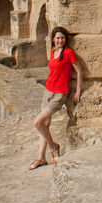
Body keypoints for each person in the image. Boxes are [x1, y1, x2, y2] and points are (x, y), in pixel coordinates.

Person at [30, 26, 83, 170]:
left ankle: (54, 149)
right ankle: (41, 157)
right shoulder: (53, 52)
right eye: (58, 38)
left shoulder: (69, 53)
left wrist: (77, 91)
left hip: (59, 94)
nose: (60, 40)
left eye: (63, 38)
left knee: (37, 122)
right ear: (53, 39)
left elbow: (79, 71)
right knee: (44, 125)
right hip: (47, 91)